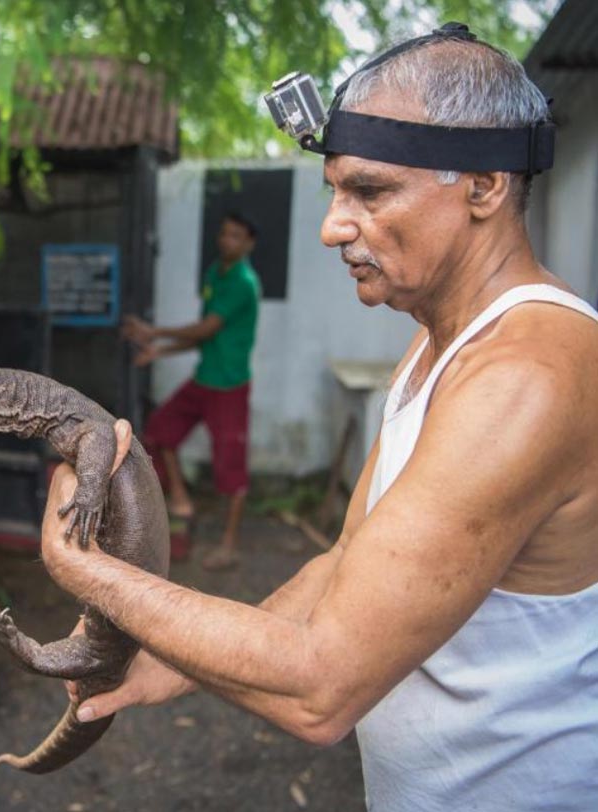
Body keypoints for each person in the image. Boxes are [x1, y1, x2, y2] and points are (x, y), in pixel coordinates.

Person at [45, 25, 598, 811]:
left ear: (483, 186)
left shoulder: (524, 376)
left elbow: (320, 685)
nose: (332, 226)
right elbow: (343, 562)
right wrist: (171, 660)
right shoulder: (438, 346)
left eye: (369, 192)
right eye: (336, 191)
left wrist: (82, 567)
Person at [121, 212, 262, 571]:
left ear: (249, 244)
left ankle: (229, 545)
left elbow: (204, 330)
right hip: (204, 378)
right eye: (224, 232)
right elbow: (206, 337)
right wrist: (161, 351)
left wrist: (155, 334)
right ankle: (181, 501)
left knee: (231, 469)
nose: (227, 240)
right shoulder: (216, 272)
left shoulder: (244, 283)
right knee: (159, 432)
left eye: (236, 236)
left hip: (230, 385)